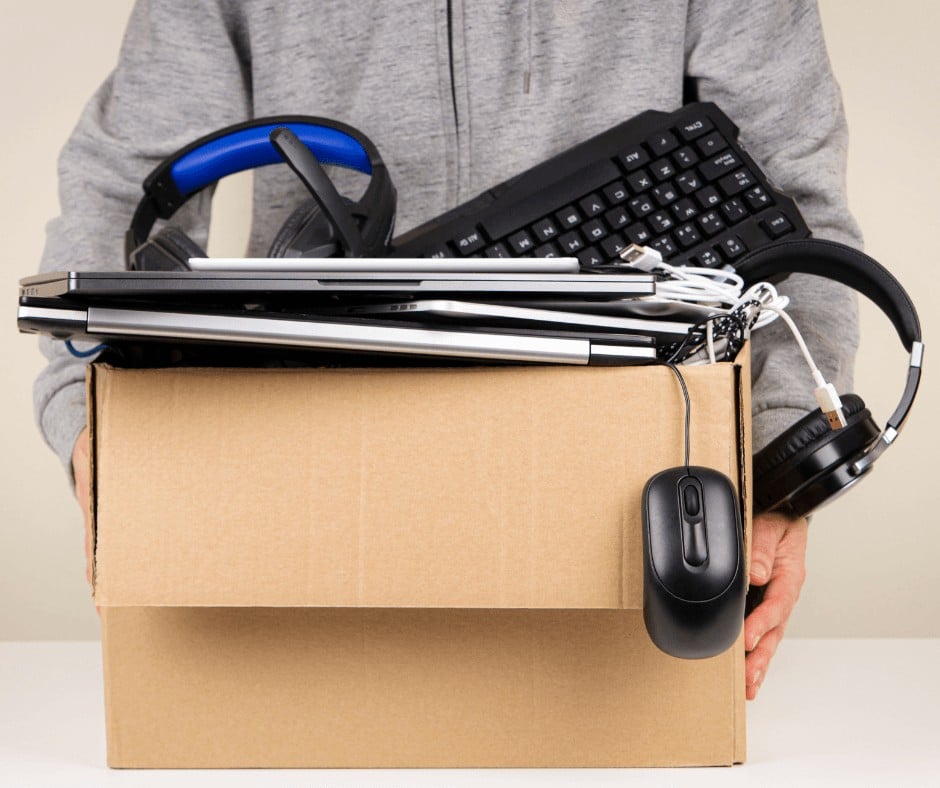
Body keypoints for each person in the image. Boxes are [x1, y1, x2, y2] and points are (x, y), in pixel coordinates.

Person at [36, 0, 859, 701]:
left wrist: (778, 459)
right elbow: (130, 181)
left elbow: (793, 190)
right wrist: (98, 427)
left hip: (623, 430)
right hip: (308, 429)